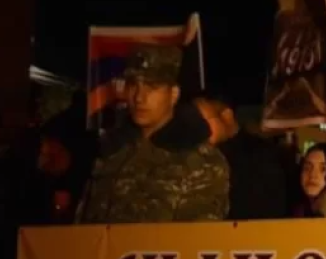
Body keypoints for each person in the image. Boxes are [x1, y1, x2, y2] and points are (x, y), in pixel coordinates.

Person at [77, 45, 228, 224]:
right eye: (133, 85)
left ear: (173, 94)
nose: (139, 97)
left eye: (152, 87)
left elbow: (197, 236)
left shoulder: (202, 161)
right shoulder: (111, 151)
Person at [195, 94, 291, 220]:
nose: (198, 129)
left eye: (203, 121)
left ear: (226, 115)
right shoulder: (198, 156)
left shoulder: (259, 153)